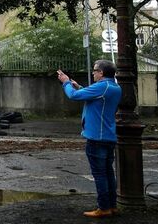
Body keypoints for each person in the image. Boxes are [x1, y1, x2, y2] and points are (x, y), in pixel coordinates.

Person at [57, 60, 122, 218]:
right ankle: (112, 206)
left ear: (101, 73)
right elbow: (91, 95)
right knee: (108, 173)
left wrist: (66, 83)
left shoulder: (102, 87)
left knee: (99, 174)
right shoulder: (114, 87)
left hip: (96, 137)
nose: (93, 73)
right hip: (108, 136)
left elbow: (73, 96)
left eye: (95, 71)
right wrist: (79, 87)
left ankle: (103, 208)